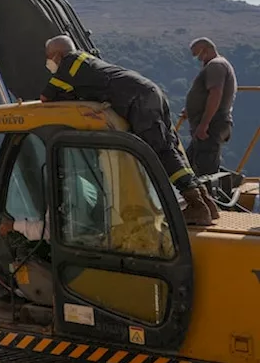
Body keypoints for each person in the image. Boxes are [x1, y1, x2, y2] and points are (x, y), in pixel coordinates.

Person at [40, 34, 217, 226]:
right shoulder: (87, 61)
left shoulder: (69, 64)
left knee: (159, 151)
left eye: (48, 57)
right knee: (170, 147)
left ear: (57, 55)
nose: (48, 62)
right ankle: (205, 200)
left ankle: (197, 206)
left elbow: (46, 98)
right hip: (150, 92)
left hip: (138, 101)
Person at [181, 37, 236, 178]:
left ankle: (212, 197)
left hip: (212, 125)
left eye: (197, 55)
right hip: (212, 124)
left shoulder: (215, 65)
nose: (198, 60)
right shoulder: (218, 65)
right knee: (188, 164)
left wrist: (204, 124)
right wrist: (191, 109)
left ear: (205, 50)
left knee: (205, 172)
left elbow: (216, 93)